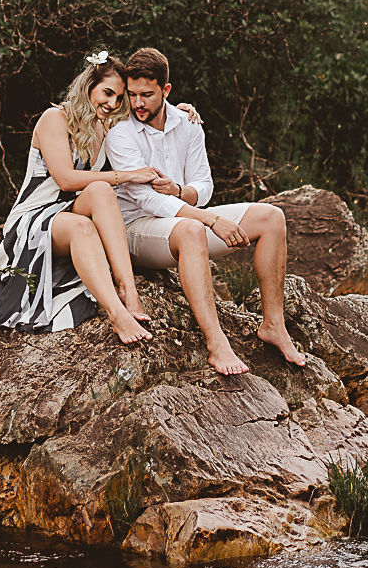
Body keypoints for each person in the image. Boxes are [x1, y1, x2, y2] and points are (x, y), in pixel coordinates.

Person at [0, 52, 163, 344]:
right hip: (34, 218)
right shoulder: (55, 119)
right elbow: (65, 179)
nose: (113, 104)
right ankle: (117, 314)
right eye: (107, 93)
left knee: (101, 192)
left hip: (69, 212)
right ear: (89, 85)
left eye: (118, 98)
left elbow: (150, 117)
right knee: (83, 225)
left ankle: (128, 290)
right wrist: (126, 176)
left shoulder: (107, 128)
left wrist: (182, 112)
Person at [104, 47, 305, 375]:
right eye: (132, 94)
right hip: (136, 230)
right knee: (192, 229)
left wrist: (181, 192)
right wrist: (212, 219)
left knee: (272, 218)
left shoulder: (188, 123)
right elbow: (149, 201)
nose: (138, 103)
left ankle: (274, 325)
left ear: (166, 90)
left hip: (183, 221)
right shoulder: (121, 133)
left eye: (147, 95)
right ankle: (217, 344)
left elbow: (204, 186)